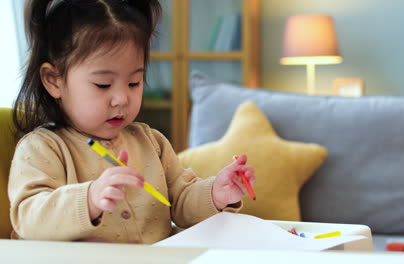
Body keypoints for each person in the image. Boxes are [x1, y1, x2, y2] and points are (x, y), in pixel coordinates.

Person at [8, 0, 255, 243]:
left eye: (134, 82)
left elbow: (180, 202)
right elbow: (28, 218)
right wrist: (90, 199)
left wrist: (216, 193)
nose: (121, 98)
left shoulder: (151, 142)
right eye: (103, 85)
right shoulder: (42, 147)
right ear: (53, 80)